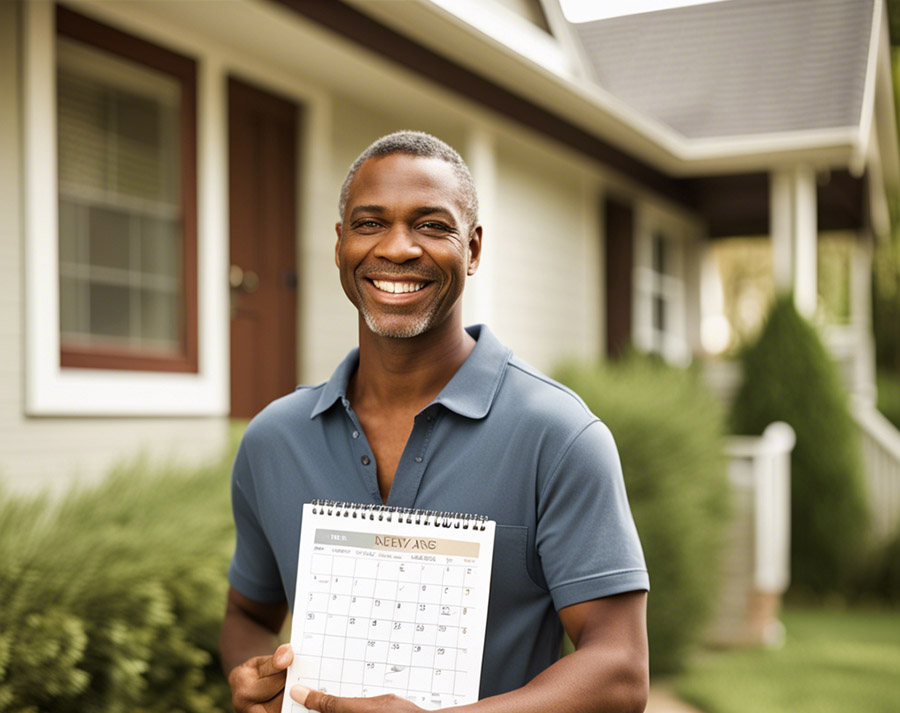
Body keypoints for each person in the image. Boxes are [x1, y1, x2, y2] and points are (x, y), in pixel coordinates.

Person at [220, 131, 650, 713]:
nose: (397, 248)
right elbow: (248, 613)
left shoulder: (560, 437)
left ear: (472, 250)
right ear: (340, 244)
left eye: (431, 225)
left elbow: (620, 670)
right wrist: (251, 681)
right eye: (370, 224)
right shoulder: (274, 440)